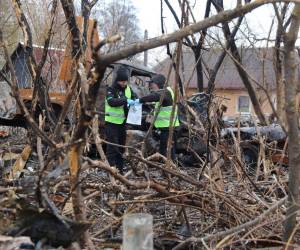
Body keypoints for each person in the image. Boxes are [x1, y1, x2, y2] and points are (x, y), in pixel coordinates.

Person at [134, 74, 180, 161]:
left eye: (152, 83)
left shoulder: (165, 92)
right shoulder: (165, 92)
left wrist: (139, 100)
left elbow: (154, 96)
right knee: (165, 151)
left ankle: (170, 171)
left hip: (169, 128)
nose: (151, 86)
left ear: (158, 83)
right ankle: (169, 170)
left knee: (167, 152)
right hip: (166, 128)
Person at [105, 66, 136, 174]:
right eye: (122, 81)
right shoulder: (111, 89)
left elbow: (134, 97)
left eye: (125, 81)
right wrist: (125, 100)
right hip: (111, 122)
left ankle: (120, 169)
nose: (124, 83)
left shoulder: (128, 89)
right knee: (112, 147)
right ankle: (111, 169)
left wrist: (136, 101)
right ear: (117, 80)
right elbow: (111, 102)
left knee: (121, 147)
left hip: (122, 123)